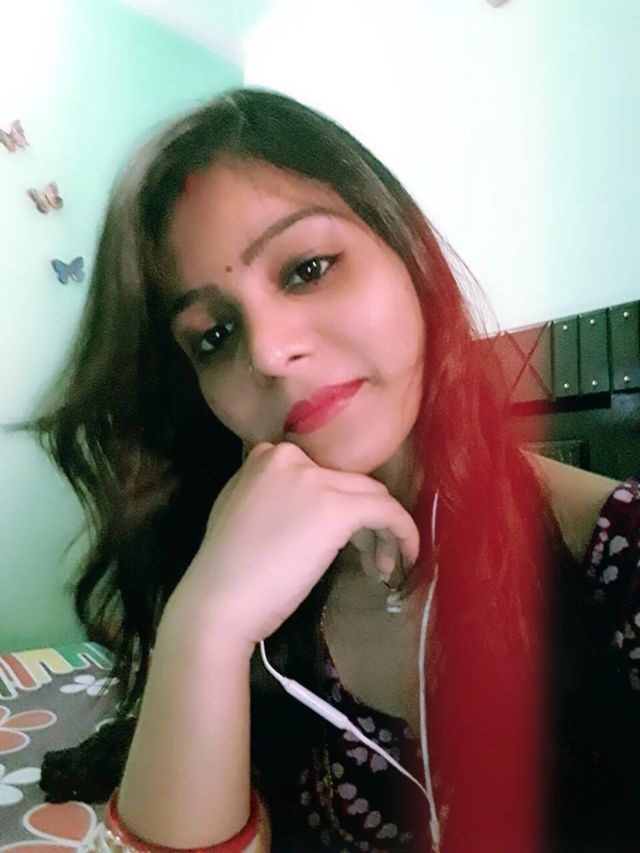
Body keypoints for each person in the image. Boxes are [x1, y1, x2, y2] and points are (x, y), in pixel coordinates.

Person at [25, 88, 639, 852]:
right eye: (213, 335)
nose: (268, 351)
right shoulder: (227, 565)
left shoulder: (618, 559)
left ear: (408, 254)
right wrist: (206, 625)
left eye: (307, 268)